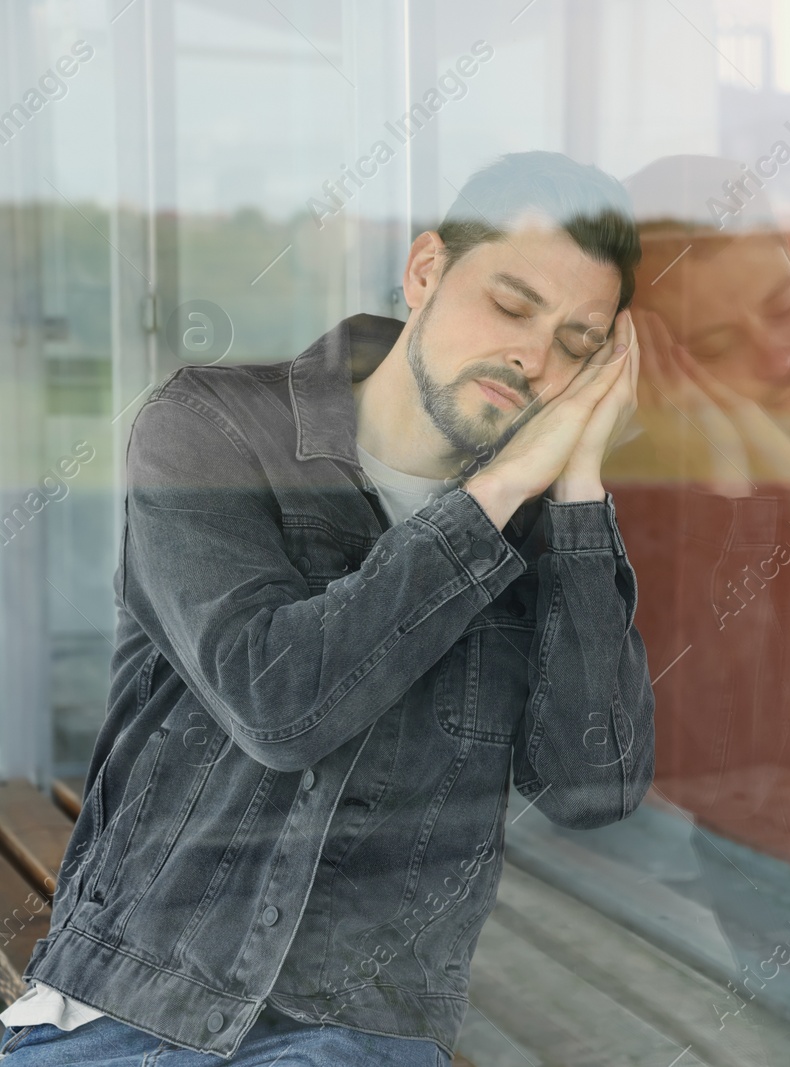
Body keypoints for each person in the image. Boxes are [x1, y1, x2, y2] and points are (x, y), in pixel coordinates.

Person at [0, 151, 654, 1064]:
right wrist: (499, 489)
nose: (535, 357)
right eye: (511, 306)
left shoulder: (545, 531)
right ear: (426, 270)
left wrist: (578, 490)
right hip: (128, 1002)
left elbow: (592, 787)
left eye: (580, 346)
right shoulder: (215, 429)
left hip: (355, 1031)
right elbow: (281, 703)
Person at [607, 154, 790, 889]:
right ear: (660, 370)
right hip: (769, 887)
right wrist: (726, 498)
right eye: (720, 348)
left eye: (785, 307)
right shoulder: (638, 498)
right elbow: (721, 768)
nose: (783, 357)